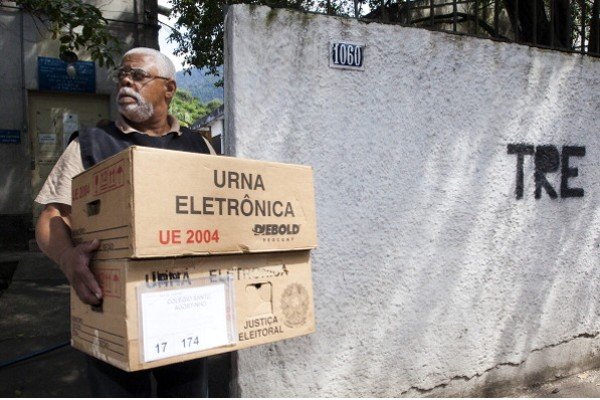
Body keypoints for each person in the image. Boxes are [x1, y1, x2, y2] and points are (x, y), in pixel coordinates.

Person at [35, 47, 215, 397]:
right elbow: (52, 215)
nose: (126, 83)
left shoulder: (199, 146)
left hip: (187, 309)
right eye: (122, 76)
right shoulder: (90, 143)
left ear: (169, 89)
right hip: (112, 308)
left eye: (138, 76)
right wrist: (66, 257)